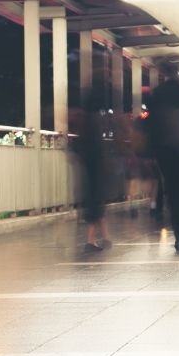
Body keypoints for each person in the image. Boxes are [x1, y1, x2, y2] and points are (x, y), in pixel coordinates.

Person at [145, 63, 179, 251]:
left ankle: (178, 234)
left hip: (164, 150)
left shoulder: (156, 95)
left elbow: (150, 125)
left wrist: (152, 150)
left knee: (172, 188)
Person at [71, 93, 110, 252]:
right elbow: (99, 149)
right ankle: (91, 241)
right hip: (95, 171)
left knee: (95, 204)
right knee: (97, 205)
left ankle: (105, 238)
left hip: (86, 171)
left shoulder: (83, 123)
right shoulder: (95, 123)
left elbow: (77, 147)